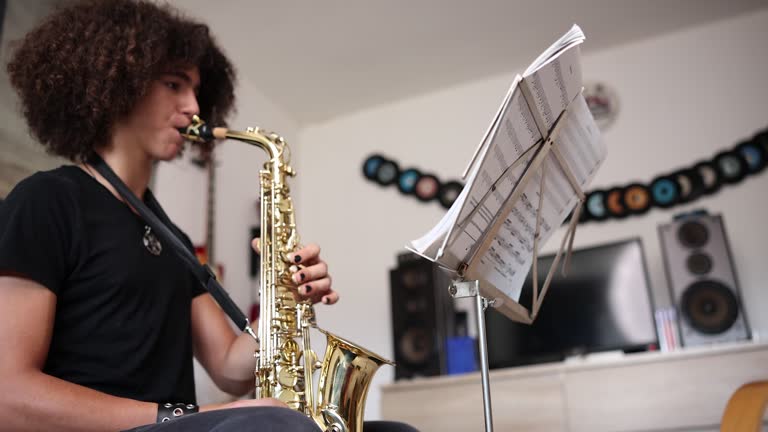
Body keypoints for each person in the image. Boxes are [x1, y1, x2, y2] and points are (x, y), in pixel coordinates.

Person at [0, 1, 417, 431]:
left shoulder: (171, 236)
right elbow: (8, 397)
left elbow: (227, 367)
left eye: (196, 89)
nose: (194, 105)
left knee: (393, 431)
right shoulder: (46, 201)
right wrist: (186, 415)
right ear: (115, 84)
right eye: (174, 84)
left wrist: (285, 297)